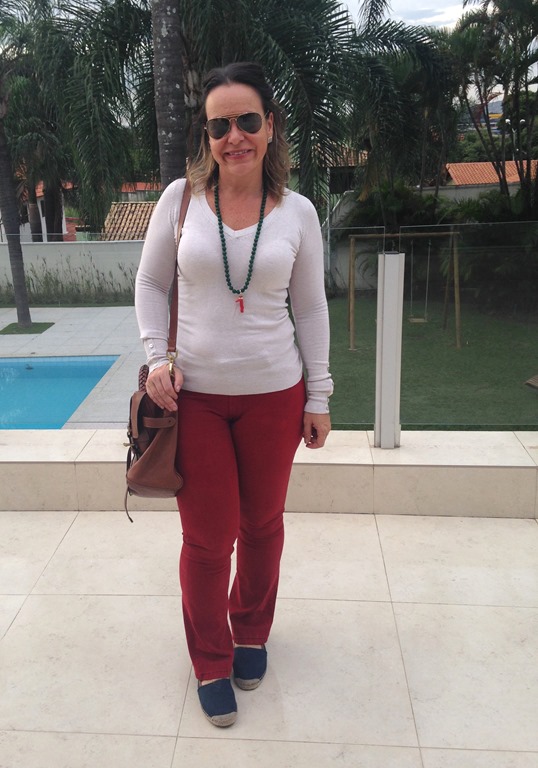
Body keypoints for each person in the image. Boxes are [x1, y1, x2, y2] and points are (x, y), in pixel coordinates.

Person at [135, 61, 333, 727]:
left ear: (271, 126)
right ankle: (210, 660)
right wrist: (153, 358)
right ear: (208, 136)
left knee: (262, 525)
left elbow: (311, 308)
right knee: (207, 538)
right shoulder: (180, 201)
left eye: (247, 120)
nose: (234, 136)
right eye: (219, 126)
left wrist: (319, 394)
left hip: (276, 396)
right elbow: (151, 284)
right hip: (193, 399)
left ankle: (251, 631)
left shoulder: (299, 212)